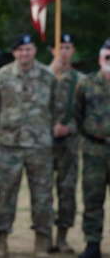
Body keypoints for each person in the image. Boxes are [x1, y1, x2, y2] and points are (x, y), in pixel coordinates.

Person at [0, 34, 62, 258]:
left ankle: (41, 242)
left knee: (42, 196)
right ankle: (1, 241)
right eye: (20, 50)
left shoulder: (48, 76)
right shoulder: (1, 76)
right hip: (10, 146)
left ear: (34, 51)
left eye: (28, 49)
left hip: (40, 146)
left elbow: (57, 107)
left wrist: (51, 129)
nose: (24, 54)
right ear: (14, 52)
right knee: (5, 194)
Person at [73, 39, 110, 258]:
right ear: (100, 58)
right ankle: (92, 243)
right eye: (107, 55)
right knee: (92, 198)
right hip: (94, 151)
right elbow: (77, 114)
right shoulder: (86, 83)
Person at [48, 33, 84, 253]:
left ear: (73, 51)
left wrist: (69, 128)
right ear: (53, 51)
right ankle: (43, 236)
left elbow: (89, 115)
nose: (64, 51)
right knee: (42, 191)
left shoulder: (81, 81)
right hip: (43, 142)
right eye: (60, 47)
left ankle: (62, 237)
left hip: (69, 144)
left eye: (68, 47)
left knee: (67, 191)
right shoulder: (42, 77)